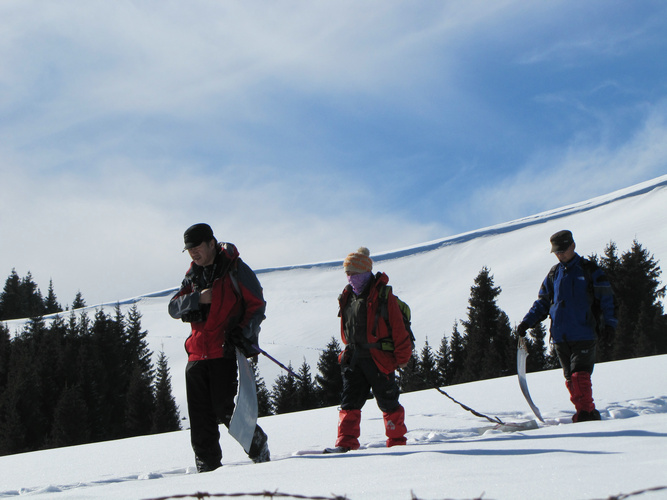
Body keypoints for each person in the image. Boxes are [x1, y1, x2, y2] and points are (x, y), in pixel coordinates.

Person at [168, 223, 270, 472]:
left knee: (225, 410)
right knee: (200, 418)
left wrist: (243, 333)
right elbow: (173, 307)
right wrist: (197, 298)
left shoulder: (235, 269)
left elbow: (256, 306)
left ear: (211, 244)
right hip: (196, 355)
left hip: (223, 350)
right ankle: (207, 466)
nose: (193, 253)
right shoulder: (192, 276)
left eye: (197, 247)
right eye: (189, 249)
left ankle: (258, 446)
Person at [517, 230, 617, 422]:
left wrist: (610, 325)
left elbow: (608, 300)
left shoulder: (590, 270)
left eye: (563, 250)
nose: (560, 254)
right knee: (571, 379)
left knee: (580, 375)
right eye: (557, 251)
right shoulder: (554, 274)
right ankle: (583, 411)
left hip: (584, 332)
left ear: (573, 246)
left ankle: (587, 413)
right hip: (560, 337)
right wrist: (526, 322)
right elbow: (543, 303)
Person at [330, 247, 413, 453]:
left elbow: (399, 329)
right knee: (349, 402)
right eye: (348, 273)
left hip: (380, 359)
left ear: (366, 272)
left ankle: (397, 444)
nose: (351, 278)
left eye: (354, 273)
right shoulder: (348, 296)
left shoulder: (385, 297)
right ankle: (345, 443)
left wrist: (402, 358)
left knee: (388, 402)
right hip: (356, 359)